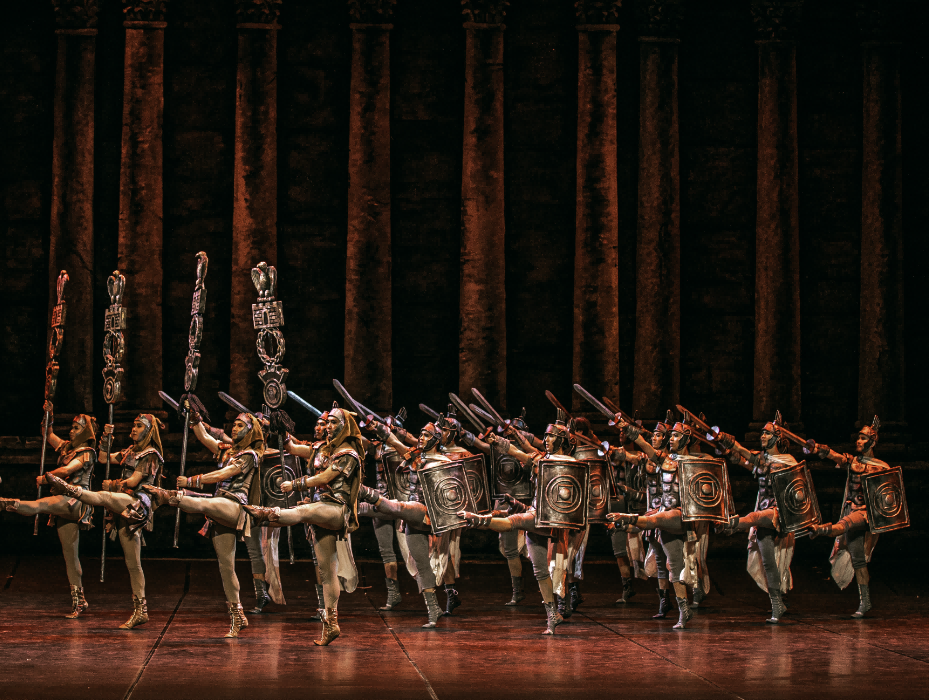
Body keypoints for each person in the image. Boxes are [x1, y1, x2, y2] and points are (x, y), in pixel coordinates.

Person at [244, 404, 364, 646]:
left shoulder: (348, 453)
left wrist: (297, 484)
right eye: (327, 422)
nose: (328, 426)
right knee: (326, 571)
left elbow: (326, 477)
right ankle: (331, 624)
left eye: (333, 422)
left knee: (302, 511)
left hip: (336, 509)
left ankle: (267, 515)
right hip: (320, 511)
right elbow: (291, 447)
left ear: (345, 426)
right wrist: (279, 429)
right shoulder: (320, 449)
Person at [456, 411, 584, 635]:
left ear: (562, 440)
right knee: (540, 571)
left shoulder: (573, 465)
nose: (546, 439)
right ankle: (552, 615)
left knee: (514, 523)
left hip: (551, 521)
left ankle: (480, 520)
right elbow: (516, 452)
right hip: (537, 514)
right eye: (545, 436)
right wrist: (498, 441)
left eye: (551, 436)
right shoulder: (540, 460)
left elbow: (574, 500)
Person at [145, 412, 265, 638]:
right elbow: (204, 437)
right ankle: (237, 615)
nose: (234, 428)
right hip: (220, 506)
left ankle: (169, 497)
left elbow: (225, 473)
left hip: (235, 505)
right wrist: (194, 418)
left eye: (240, 425)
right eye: (234, 424)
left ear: (251, 431)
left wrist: (193, 480)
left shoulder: (251, 455)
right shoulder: (227, 450)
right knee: (226, 567)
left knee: (204, 504)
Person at [48, 413, 165, 629]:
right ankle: (141, 610)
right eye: (133, 425)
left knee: (104, 497)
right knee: (133, 562)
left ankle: (73, 491)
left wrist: (112, 484)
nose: (134, 429)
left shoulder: (151, 455)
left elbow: (134, 481)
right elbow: (103, 458)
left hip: (137, 502)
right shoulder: (129, 451)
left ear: (149, 431)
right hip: (124, 507)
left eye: (139, 426)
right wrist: (106, 439)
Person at [1, 410, 98, 618]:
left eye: (76, 428)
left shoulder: (87, 452)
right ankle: (79, 600)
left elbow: (67, 470)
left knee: (40, 505)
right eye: (71, 427)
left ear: (85, 432)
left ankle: (5, 503)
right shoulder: (67, 447)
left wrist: (47, 478)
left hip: (76, 500)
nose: (71, 431)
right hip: (64, 501)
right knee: (70, 555)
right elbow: (48, 434)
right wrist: (49, 414)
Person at [712, 411, 799, 623]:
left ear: (777, 437)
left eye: (767, 433)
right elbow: (746, 461)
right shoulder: (762, 460)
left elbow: (797, 491)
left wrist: (732, 442)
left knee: (752, 517)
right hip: (763, 512)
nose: (762, 436)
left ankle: (730, 524)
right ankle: (777, 604)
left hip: (777, 513)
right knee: (768, 562)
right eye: (762, 433)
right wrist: (729, 451)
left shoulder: (788, 461)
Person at [806, 416, 895, 618]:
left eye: (863, 438)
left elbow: (890, 497)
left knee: (843, 524)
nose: (859, 441)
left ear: (872, 442)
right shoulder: (853, 462)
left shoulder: (881, 468)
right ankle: (865, 601)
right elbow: (835, 456)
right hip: (852, 510)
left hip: (865, 514)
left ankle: (820, 529)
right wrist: (818, 448)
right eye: (858, 437)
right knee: (858, 561)